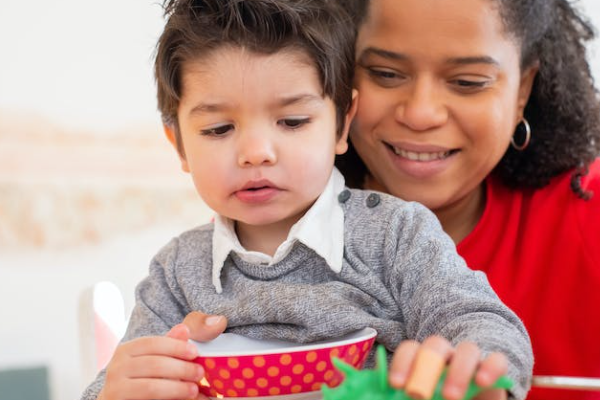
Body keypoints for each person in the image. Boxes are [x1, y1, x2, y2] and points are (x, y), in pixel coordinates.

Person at [79, 1, 534, 400]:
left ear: (340, 125)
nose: (256, 152)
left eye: (292, 121)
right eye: (219, 129)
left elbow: (481, 322)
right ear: (178, 145)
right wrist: (117, 390)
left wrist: (477, 369)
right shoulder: (177, 272)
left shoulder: (395, 236)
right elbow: (116, 379)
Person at [334, 1, 600, 400]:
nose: (421, 114)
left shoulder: (587, 214)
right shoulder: (253, 248)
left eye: (468, 81)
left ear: (522, 91)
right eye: (386, 74)